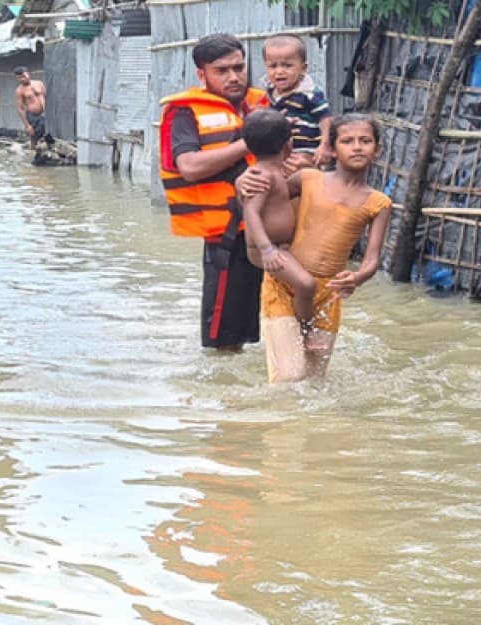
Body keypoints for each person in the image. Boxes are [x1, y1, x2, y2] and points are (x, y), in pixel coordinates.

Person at [237, 113, 392, 383]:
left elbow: (372, 259)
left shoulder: (379, 203)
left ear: (376, 151)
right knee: (288, 378)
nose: (357, 146)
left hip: (328, 296)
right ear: (331, 149)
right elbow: (268, 198)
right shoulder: (307, 179)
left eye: (365, 141)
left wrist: (358, 277)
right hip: (285, 286)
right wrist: (242, 184)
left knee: (312, 382)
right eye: (347, 141)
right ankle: (273, 424)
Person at [157, 34, 270, 351]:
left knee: (274, 321)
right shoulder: (186, 113)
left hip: (271, 228)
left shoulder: (263, 103)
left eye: (239, 67)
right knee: (224, 339)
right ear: (201, 74)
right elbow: (190, 167)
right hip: (228, 236)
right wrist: (250, 142)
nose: (234, 77)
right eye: (222, 70)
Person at [237, 108, 320, 348]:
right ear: (289, 145)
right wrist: (267, 250)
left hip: (277, 246)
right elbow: (250, 212)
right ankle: (305, 331)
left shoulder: (275, 172)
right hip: (266, 248)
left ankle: (300, 324)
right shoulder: (261, 175)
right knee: (306, 284)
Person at [263, 33, 333, 170]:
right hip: (279, 156)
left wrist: (325, 145)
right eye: (273, 66)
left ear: (303, 68)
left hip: (306, 156)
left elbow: (326, 119)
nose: (280, 72)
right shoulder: (267, 95)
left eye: (288, 66)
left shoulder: (309, 94)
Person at [13, 67, 49, 149]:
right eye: (19, 78)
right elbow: (20, 108)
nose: (22, 79)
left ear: (28, 74)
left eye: (23, 76)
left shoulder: (39, 83)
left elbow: (46, 97)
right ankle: (32, 153)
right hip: (32, 116)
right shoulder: (19, 91)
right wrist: (27, 126)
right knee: (34, 136)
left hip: (44, 113)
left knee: (47, 135)